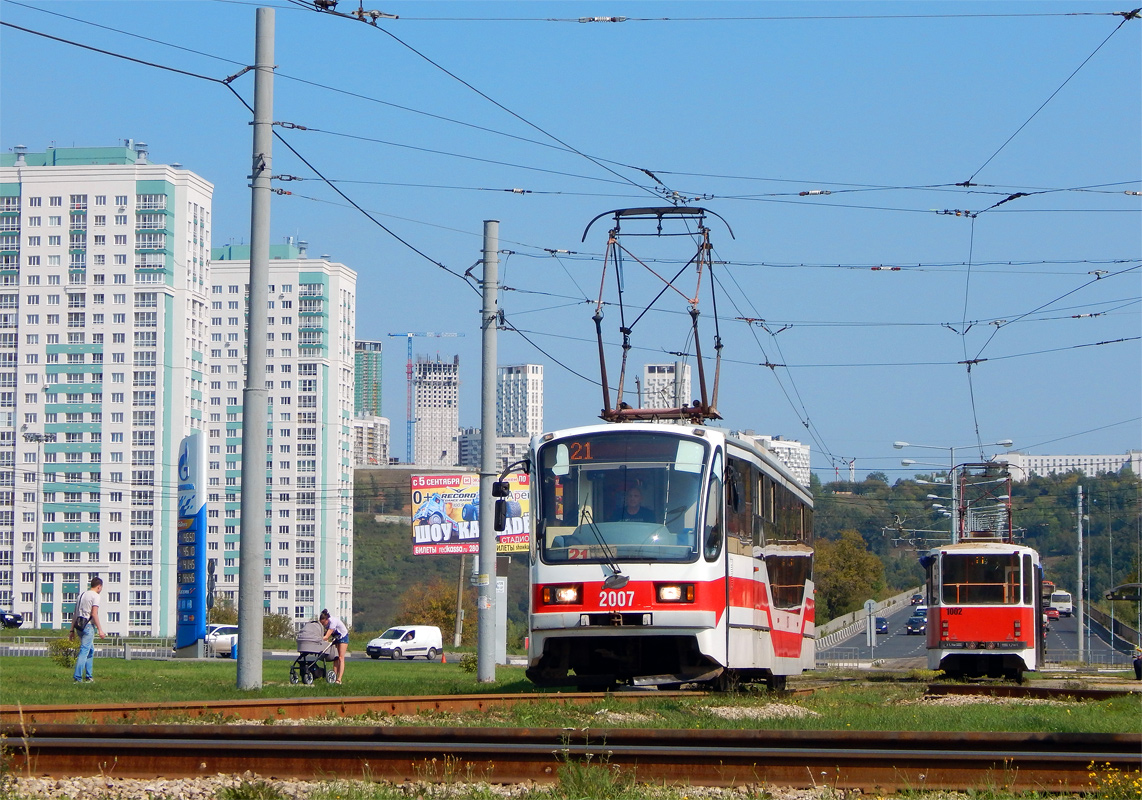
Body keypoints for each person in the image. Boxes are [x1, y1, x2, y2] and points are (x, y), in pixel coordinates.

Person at [71, 577, 105, 683]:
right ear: (99, 586)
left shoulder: (81, 595)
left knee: (90, 650)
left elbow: (75, 614)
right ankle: (77, 677)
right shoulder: (96, 596)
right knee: (84, 651)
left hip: (79, 626)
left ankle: (89, 676)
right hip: (88, 626)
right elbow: (94, 613)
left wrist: (71, 630)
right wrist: (100, 630)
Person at [320, 608, 349, 684]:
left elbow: (326, 636)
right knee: (335, 658)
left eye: (323, 623)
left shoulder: (333, 622)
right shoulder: (326, 623)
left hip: (343, 637)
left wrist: (318, 639)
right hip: (336, 637)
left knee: (340, 657)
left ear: (327, 620)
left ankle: (339, 679)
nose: (323, 625)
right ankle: (334, 676)